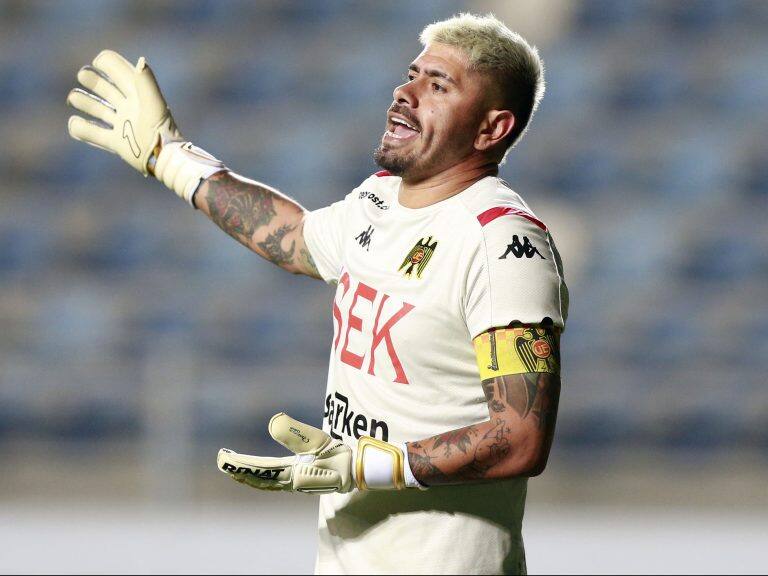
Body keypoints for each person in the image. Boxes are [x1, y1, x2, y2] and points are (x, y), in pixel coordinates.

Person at [67, 12, 568, 575]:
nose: (405, 94)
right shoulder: (381, 199)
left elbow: (520, 438)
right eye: (412, 75)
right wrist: (171, 158)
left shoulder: (502, 242)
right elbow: (297, 240)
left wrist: (368, 466)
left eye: (438, 86)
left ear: (490, 129)